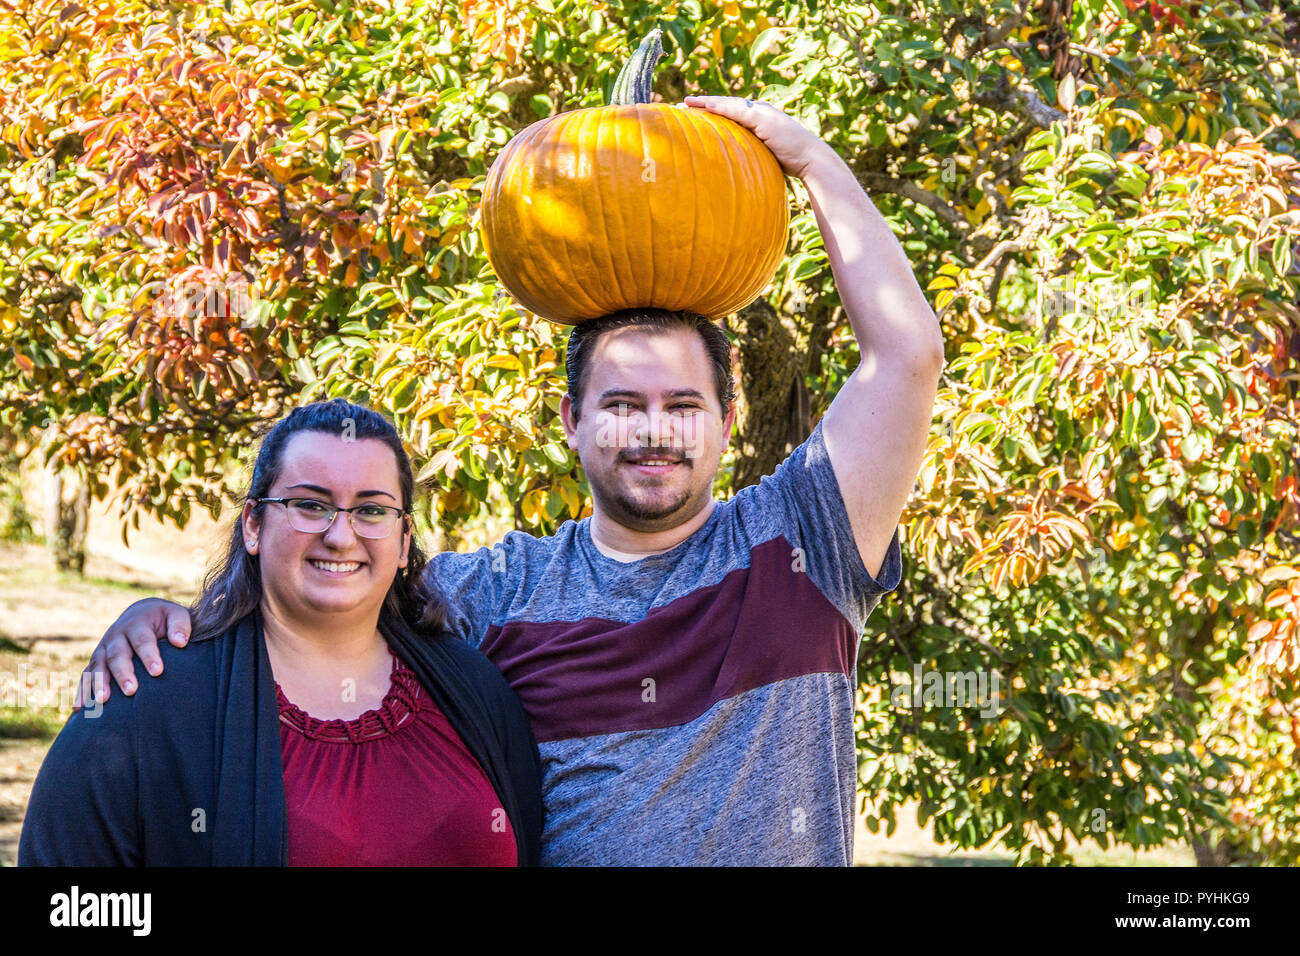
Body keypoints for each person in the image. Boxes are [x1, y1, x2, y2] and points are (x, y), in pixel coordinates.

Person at [72, 95, 944, 865]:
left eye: (683, 404)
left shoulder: (803, 546)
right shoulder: (492, 593)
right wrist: (176, 621)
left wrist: (811, 159)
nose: (653, 432)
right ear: (571, 422)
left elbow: (907, 355)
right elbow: (328, 585)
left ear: (725, 418)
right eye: (620, 404)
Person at [20, 399, 543, 866]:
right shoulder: (146, 697)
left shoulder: (475, 693)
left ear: (404, 540)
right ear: (252, 524)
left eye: (371, 510)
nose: (341, 536)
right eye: (310, 505)